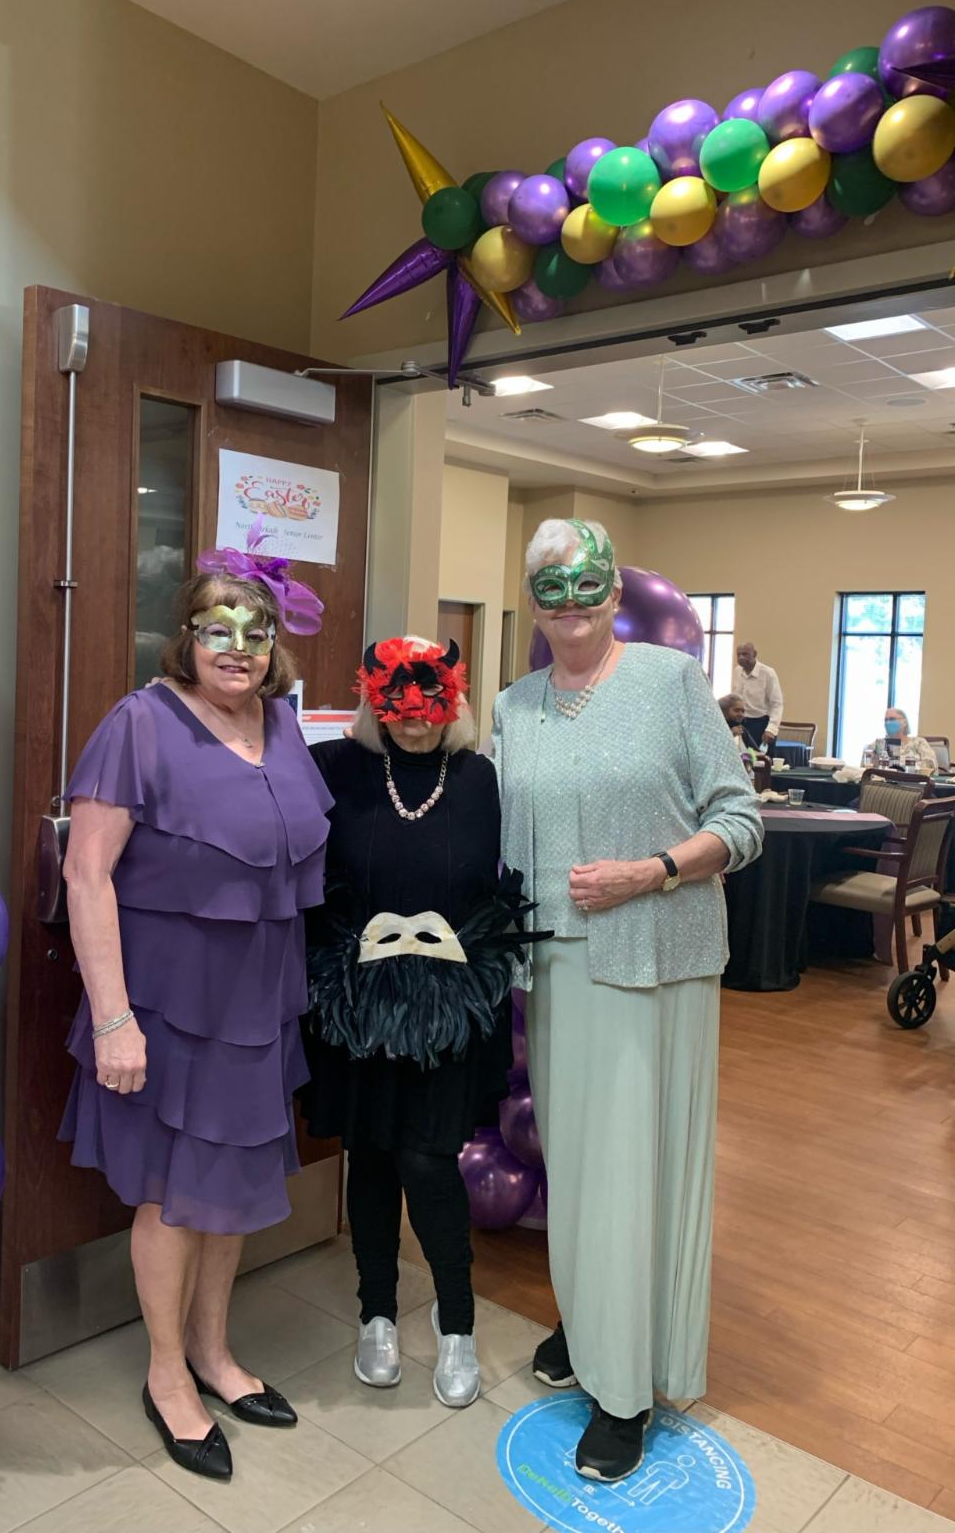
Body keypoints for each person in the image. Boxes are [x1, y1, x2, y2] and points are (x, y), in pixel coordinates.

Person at [59, 524, 332, 1484]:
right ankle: (167, 1373)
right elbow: (86, 875)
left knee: (231, 1190)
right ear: (186, 636)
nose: (236, 649)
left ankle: (216, 1352)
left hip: (261, 1007)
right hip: (168, 1008)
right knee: (175, 1199)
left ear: (274, 644)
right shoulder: (140, 723)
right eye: (217, 630)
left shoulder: (284, 724)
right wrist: (113, 1019)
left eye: (255, 632)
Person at [493, 518, 762, 1483]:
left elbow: (741, 821)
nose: (571, 604)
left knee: (635, 1168)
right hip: (557, 974)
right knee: (578, 1165)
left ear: (614, 595)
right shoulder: (513, 705)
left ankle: (626, 1389)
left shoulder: (671, 683)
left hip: (655, 960)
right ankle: (592, 1316)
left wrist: (651, 871)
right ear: (533, 602)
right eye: (551, 588)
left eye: (588, 586)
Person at [301, 637, 540, 1409]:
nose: (414, 716)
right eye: (398, 699)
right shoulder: (337, 768)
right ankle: (376, 1311)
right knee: (371, 1156)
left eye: (432, 699)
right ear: (373, 698)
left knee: (429, 1158)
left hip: (447, 1007)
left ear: (454, 700)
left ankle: (456, 1319)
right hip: (360, 1004)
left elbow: (502, 884)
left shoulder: (477, 779)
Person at [732, 642, 783, 753]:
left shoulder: (768, 673)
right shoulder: (737, 671)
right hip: (741, 724)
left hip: (761, 725)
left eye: (745, 654)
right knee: (743, 759)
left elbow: (777, 704)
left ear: (754, 654)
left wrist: (772, 729)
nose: (741, 657)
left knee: (762, 761)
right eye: (738, 654)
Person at [877, 708, 937, 775]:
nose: (888, 723)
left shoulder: (919, 742)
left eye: (892, 719)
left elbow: (930, 764)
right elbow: (870, 766)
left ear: (904, 722)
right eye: (886, 720)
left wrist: (902, 769)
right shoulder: (879, 744)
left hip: (915, 780)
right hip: (886, 780)